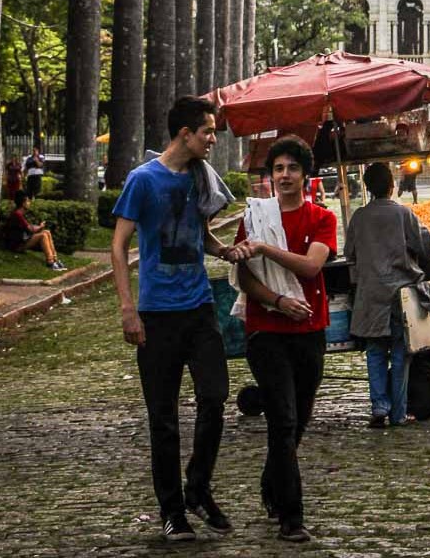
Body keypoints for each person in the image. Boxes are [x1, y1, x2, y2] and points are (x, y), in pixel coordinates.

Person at [111, 95, 244, 544]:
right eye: (207, 131)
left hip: (199, 306)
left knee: (215, 397)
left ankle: (198, 488)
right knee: (163, 418)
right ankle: (173, 513)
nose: (212, 138)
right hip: (156, 314)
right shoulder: (142, 180)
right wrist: (128, 309)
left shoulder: (199, 177)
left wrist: (222, 250)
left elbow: (198, 234)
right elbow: (118, 246)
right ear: (184, 134)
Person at [233, 136, 337, 545]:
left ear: (305, 175)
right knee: (283, 419)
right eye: (278, 168)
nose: (285, 175)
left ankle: (271, 483)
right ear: (270, 176)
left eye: (293, 167)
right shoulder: (254, 219)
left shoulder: (321, 219)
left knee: (298, 422)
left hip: (309, 332)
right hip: (266, 331)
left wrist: (266, 249)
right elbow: (244, 276)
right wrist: (277, 300)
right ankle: (291, 517)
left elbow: (312, 268)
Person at [344, 161, 430, 428]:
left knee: (375, 352)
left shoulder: (359, 217)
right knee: (401, 354)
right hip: (400, 295)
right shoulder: (403, 214)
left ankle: (379, 407)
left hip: (370, 296)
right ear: (391, 185)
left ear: (368, 188)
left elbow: (349, 252)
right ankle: (398, 414)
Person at [2, 190, 66, 271]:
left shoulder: (19, 214)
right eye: (28, 201)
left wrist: (39, 227)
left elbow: (28, 226)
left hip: (22, 241)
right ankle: (50, 262)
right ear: (23, 203)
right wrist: (40, 227)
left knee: (47, 232)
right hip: (16, 246)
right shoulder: (17, 214)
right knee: (42, 235)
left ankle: (55, 259)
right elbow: (30, 229)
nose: (29, 203)